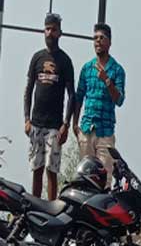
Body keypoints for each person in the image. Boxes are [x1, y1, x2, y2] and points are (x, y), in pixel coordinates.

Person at [23, 13, 75, 200]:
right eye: (47, 29)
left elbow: (72, 95)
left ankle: (51, 209)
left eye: (53, 29)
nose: (49, 33)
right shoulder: (37, 58)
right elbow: (28, 89)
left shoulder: (65, 61)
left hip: (54, 126)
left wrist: (66, 124)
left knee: (51, 170)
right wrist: (27, 119)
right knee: (36, 168)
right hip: (36, 123)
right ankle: (35, 206)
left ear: (60, 32)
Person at [73, 23, 125, 188]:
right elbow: (79, 96)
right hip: (87, 128)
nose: (97, 42)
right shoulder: (87, 68)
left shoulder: (117, 70)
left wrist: (107, 81)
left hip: (105, 131)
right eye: (95, 38)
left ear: (109, 42)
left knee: (105, 180)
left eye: (101, 38)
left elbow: (119, 100)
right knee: (84, 178)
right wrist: (75, 124)